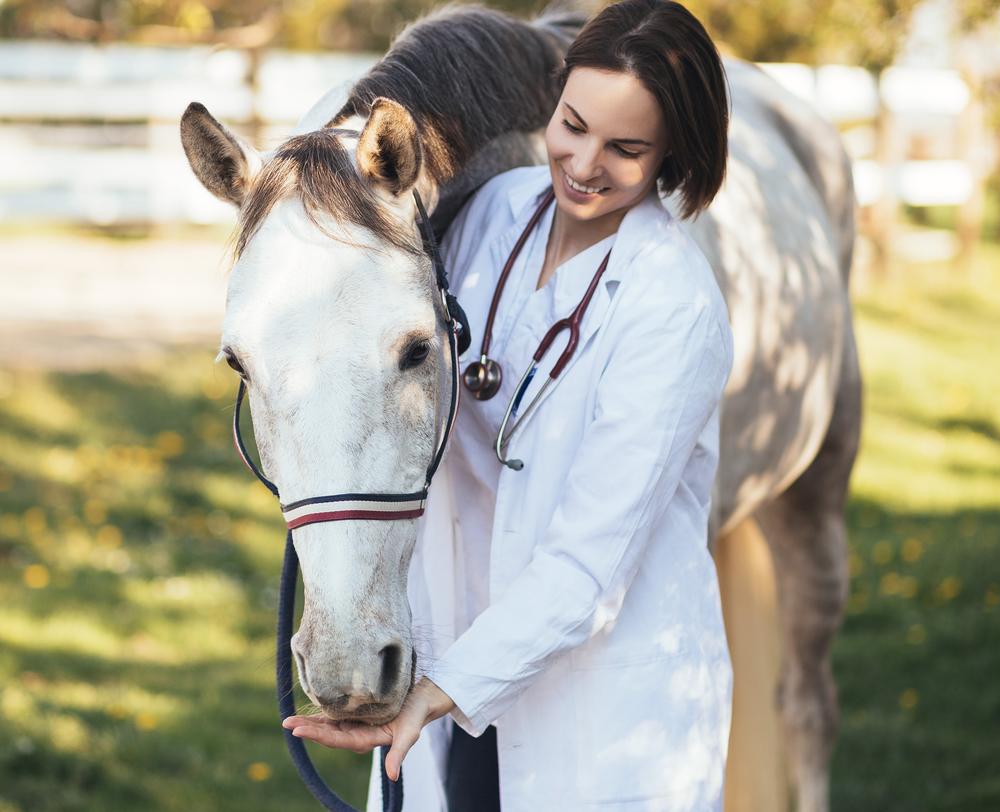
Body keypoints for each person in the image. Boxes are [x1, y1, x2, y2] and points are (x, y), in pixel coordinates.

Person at [284, 0, 734, 808]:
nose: (586, 164)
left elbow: (587, 567)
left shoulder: (674, 305)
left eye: (627, 148)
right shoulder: (493, 212)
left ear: (675, 152)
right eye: (573, 124)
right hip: (454, 669)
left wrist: (437, 690)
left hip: (595, 716)